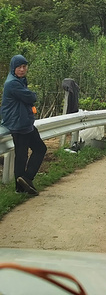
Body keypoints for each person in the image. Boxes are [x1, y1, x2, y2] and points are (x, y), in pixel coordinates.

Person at [1, 55, 47, 195]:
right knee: (32, 151)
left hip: (23, 122)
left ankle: (23, 184)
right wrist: (32, 96)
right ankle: (23, 184)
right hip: (19, 124)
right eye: (19, 67)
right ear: (13, 68)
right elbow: (31, 97)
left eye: (24, 67)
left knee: (29, 152)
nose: (22, 69)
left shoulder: (19, 81)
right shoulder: (12, 83)